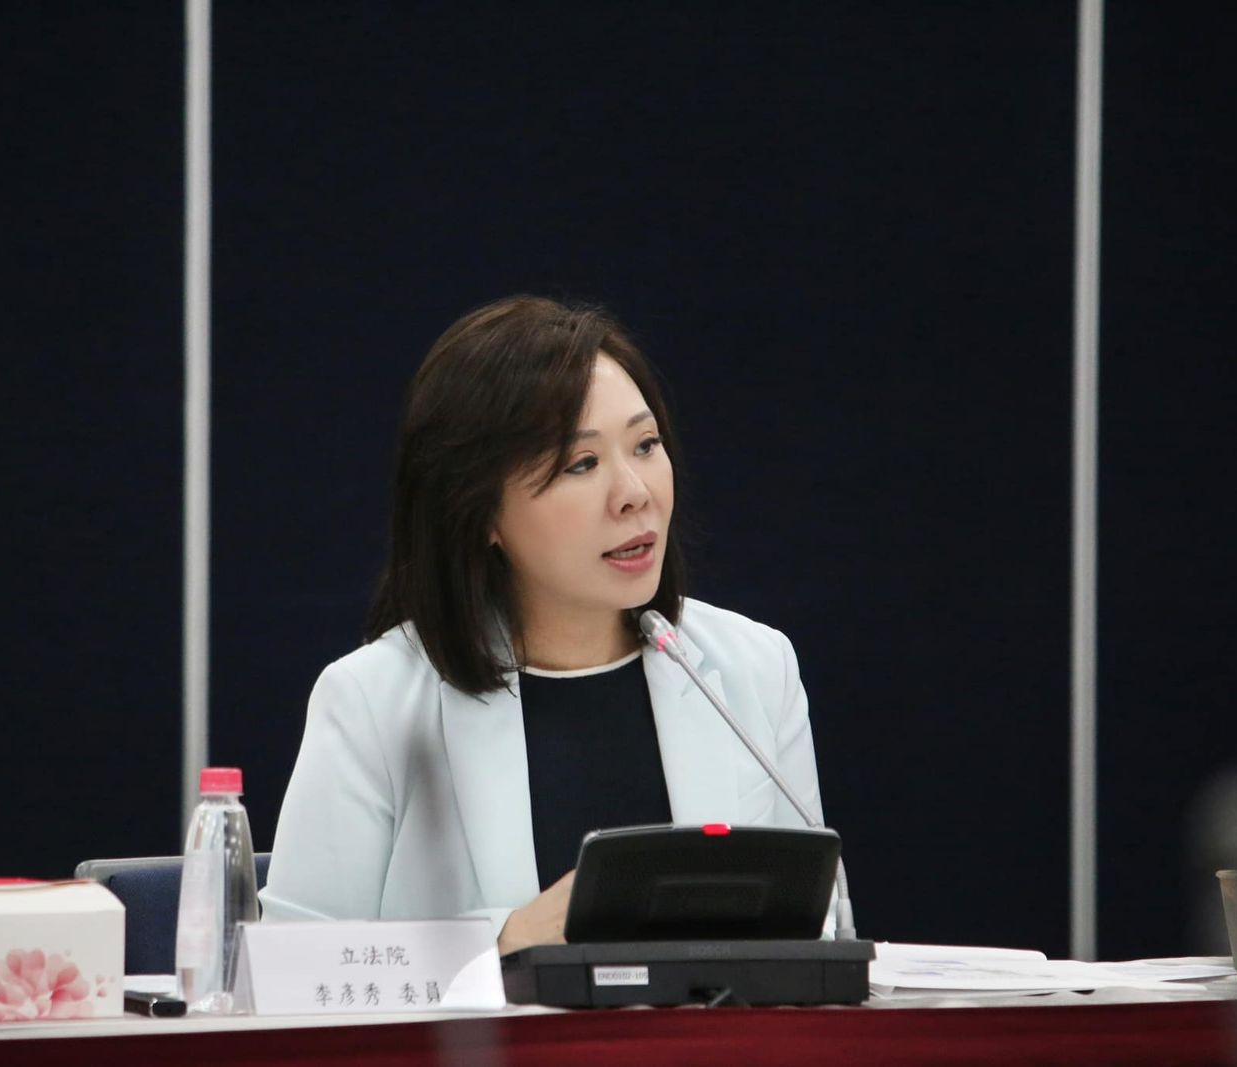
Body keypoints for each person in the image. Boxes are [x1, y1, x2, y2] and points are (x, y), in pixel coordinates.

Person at [260, 295, 827, 955]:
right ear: (481, 512)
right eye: (581, 464)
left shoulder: (755, 668)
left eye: (646, 445)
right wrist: (504, 941)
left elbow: (818, 936)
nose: (635, 492)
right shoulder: (373, 702)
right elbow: (290, 970)